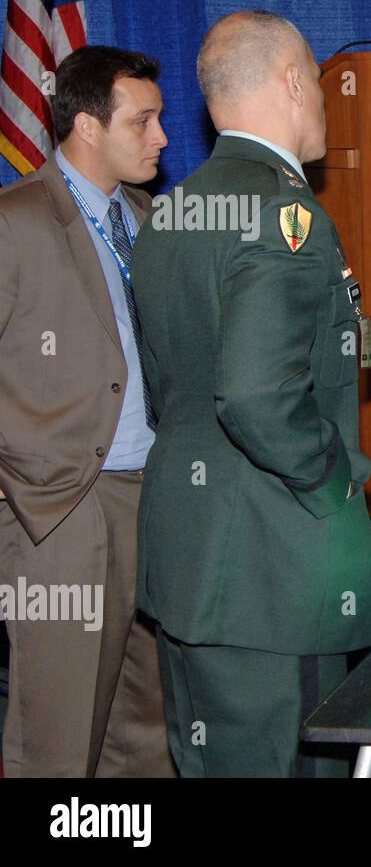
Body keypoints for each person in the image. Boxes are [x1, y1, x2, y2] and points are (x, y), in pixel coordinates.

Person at [132, 11, 371, 777]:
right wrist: (332, 473)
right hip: (273, 566)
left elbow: (170, 383)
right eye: (315, 79)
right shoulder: (285, 213)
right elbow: (252, 397)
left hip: (194, 551)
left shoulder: (170, 209)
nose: (320, 99)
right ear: (288, 82)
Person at [0, 46, 175, 777]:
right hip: (61, 509)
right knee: (61, 731)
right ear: (86, 127)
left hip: (151, 496)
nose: (162, 137)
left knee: (144, 726)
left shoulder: (146, 218)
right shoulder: (17, 220)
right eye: (144, 120)